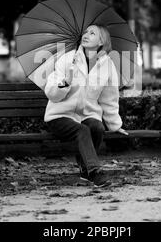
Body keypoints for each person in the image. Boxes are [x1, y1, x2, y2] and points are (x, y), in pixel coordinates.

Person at [44, 24, 128, 187]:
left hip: (86, 115)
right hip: (60, 116)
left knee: (96, 127)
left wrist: (115, 125)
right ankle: (95, 172)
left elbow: (109, 99)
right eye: (86, 32)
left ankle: (85, 170)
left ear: (101, 41)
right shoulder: (67, 59)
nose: (86, 35)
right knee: (82, 129)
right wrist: (66, 81)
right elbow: (51, 93)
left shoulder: (108, 66)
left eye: (92, 33)